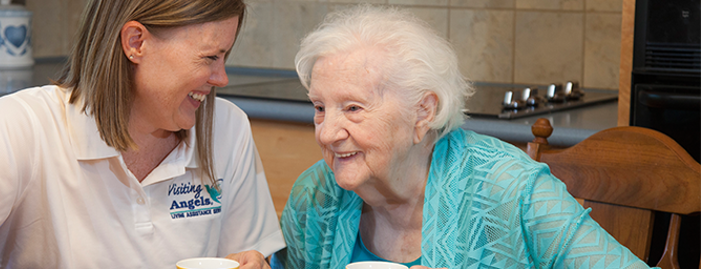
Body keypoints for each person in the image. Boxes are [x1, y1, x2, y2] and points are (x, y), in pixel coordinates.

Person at [0, 0, 285, 268]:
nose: (222, 78)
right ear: (136, 42)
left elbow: (249, 257)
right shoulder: (23, 124)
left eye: (225, 56)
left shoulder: (227, 128)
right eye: (209, 58)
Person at [270, 4, 651, 269]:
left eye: (353, 108)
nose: (328, 132)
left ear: (424, 112)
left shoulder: (509, 190)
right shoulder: (316, 195)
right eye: (320, 108)